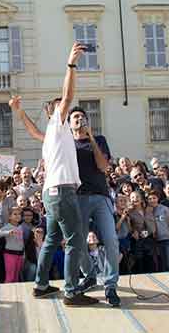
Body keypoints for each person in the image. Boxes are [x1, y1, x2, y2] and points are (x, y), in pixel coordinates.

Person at [9, 43, 98, 306]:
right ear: (55, 111)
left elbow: (32, 131)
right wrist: (71, 65)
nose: (67, 109)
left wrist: (18, 110)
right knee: (74, 241)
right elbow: (67, 96)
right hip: (62, 191)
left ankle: (41, 286)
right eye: (61, 107)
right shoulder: (58, 124)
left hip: (52, 193)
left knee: (52, 240)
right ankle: (71, 292)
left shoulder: (51, 135)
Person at [67, 106, 121, 306]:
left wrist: (90, 138)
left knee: (110, 240)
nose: (79, 119)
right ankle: (89, 274)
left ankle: (110, 285)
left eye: (82, 116)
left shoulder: (99, 140)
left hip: (101, 197)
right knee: (78, 242)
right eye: (75, 117)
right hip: (77, 198)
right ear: (69, 123)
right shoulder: (67, 143)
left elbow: (103, 167)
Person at [0, 207, 25, 283]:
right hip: (10, 254)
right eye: (15, 214)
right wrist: (7, 232)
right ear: (10, 217)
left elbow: (22, 242)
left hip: (20, 254)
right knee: (10, 277)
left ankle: (15, 294)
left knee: (16, 277)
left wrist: (24, 254)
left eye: (19, 214)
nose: (18, 216)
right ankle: (7, 294)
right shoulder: (7, 226)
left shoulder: (21, 227)